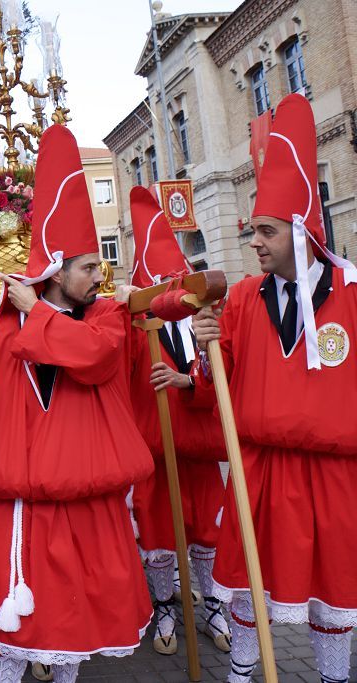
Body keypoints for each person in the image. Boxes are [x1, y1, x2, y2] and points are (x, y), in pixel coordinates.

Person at [0, 124, 154, 682]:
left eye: (99, 266)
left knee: (74, 634)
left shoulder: (104, 319)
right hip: (17, 507)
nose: (101, 277)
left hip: (84, 510)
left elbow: (96, 359)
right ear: (55, 271)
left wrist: (38, 312)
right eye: (88, 268)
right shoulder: (2, 331)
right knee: (6, 641)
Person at [191, 93, 357, 683]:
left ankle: (335, 677)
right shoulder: (240, 298)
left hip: (335, 472)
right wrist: (205, 349)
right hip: (257, 465)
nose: (253, 243)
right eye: (250, 231)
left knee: (333, 590)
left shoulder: (354, 292)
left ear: (301, 229)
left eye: (264, 231)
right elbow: (217, 379)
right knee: (243, 583)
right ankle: (242, 672)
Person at [125, 186, 231, 656]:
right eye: (164, 287)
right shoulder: (133, 330)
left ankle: (211, 605)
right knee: (160, 533)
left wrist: (191, 381)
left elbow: (224, 379)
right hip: (154, 450)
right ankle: (165, 605)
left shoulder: (207, 323)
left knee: (208, 529)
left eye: (179, 283)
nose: (175, 294)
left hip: (202, 446)